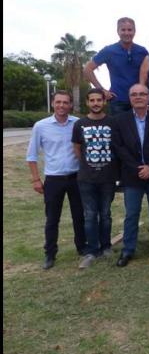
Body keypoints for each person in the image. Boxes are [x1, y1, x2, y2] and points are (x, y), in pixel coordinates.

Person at [26, 91, 86, 270]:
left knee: (79, 216)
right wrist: (36, 180)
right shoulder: (41, 126)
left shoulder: (78, 123)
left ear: (70, 105)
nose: (62, 106)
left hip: (76, 177)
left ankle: (82, 247)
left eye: (65, 103)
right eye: (58, 102)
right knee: (52, 219)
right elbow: (31, 155)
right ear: (53, 103)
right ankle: (50, 254)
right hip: (53, 180)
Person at [112, 84, 149, 267]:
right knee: (131, 214)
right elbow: (118, 148)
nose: (138, 97)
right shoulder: (120, 120)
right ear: (129, 98)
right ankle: (128, 250)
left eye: (142, 94)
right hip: (131, 175)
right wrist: (137, 167)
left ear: (148, 97)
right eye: (134, 94)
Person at [72, 89, 118, 269]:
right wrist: (87, 164)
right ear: (87, 102)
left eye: (99, 100)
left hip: (107, 177)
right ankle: (92, 250)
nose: (96, 103)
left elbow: (116, 148)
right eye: (92, 100)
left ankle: (106, 246)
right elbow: (77, 148)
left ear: (104, 102)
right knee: (90, 215)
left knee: (105, 214)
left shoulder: (113, 122)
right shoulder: (80, 124)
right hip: (86, 178)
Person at [84, 17, 149, 115]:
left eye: (129, 30)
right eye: (123, 30)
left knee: (140, 130)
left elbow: (148, 74)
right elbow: (87, 69)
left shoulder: (142, 51)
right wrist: (101, 90)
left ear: (134, 31)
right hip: (118, 101)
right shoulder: (109, 51)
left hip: (138, 100)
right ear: (118, 31)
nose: (126, 33)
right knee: (119, 130)